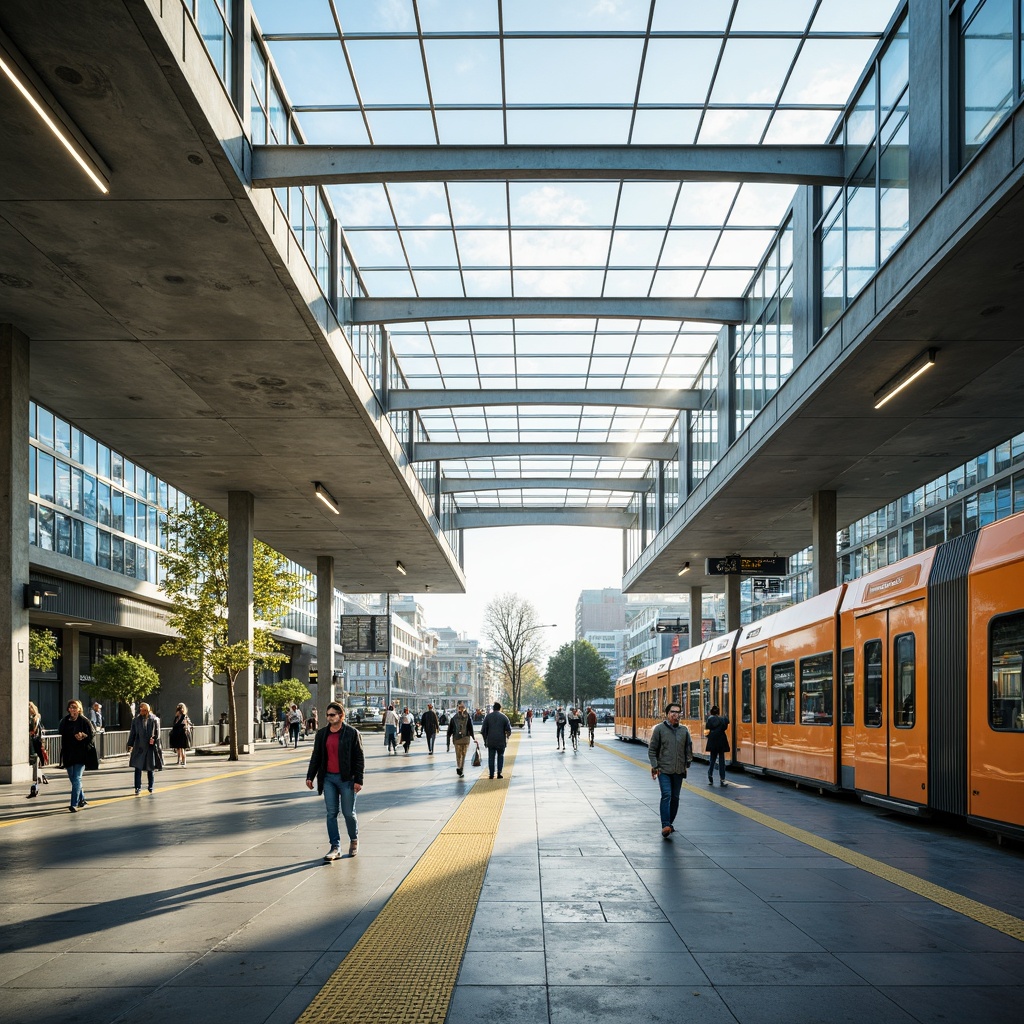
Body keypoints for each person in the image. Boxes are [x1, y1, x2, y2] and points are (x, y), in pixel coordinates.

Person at [306, 702, 364, 861]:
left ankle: (353, 839)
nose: (329, 717)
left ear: (341, 715)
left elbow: (359, 758)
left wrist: (359, 780)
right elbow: (316, 757)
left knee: (348, 813)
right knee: (331, 813)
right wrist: (310, 776)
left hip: (347, 779)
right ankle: (335, 846)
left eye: (332, 715)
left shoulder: (352, 733)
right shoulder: (322, 734)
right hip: (328, 779)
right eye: (327, 715)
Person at [648, 703, 693, 839]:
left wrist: (687, 763)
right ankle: (665, 825)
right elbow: (652, 750)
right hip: (664, 770)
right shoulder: (660, 730)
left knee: (675, 798)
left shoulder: (684, 730)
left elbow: (688, 749)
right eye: (673, 712)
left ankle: (670, 824)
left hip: (679, 771)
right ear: (667, 714)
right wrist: (655, 766)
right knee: (666, 795)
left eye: (678, 712)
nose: (676, 715)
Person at [58, 699, 95, 811]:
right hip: (68, 753)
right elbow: (60, 731)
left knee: (77, 778)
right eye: (71, 707)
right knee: (73, 778)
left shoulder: (84, 721)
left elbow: (92, 734)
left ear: (79, 709)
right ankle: (82, 799)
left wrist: (83, 735)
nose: (73, 709)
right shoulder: (64, 721)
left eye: (75, 707)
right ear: (68, 709)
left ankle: (73, 803)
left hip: (81, 752)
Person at [126, 702, 163, 795]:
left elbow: (158, 733)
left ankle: (150, 786)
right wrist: (130, 744)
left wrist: (154, 739)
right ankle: (137, 787)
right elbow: (133, 733)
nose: (142, 711)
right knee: (138, 768)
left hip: (150, 747)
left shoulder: (154, 719)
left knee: (150, 768)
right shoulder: (136, 720)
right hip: (139, 746)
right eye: (141, 709)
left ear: (148, 710)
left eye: (144, 710)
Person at [446, 700, 478, 777]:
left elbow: (449, 731)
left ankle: (459, 767)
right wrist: (474, 738)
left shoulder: (454, 718)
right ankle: (461, 768)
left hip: (457, 739)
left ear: (458, 708)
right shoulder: (468, 717)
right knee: (463, 755)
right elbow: (470, 728)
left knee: (458, 755)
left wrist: (448, 744)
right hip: (466, 739)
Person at [480, 702, 512, 779]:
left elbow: (483, 730)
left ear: (493, 708)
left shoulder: (488, 717)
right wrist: (506, 737)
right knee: (500, 756)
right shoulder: (504, 717)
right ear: (500, 708)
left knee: (491, 757)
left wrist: (485, 740)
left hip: (491, 741)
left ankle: (491, 774)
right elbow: (509, 730)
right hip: (501, 741)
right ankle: (499, 773)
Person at [705, 704, 731, 787]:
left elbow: (706, 731)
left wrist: (709, 736)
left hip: (713, 740)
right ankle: (722, 779)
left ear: (711, 712)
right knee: (721, 760)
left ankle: (710, 775)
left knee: (712, 759)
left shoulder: (709, 719)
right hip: (722, 740)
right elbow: (725, 727)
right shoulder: (723, 719)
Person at [27, 701, 48, 799]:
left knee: (34, 758)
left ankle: (38, 777)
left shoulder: (34, 718)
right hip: (35, 741)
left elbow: (33, 730)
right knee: (35, 759)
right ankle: (41, 776)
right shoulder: (35, 717)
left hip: (34, 741)